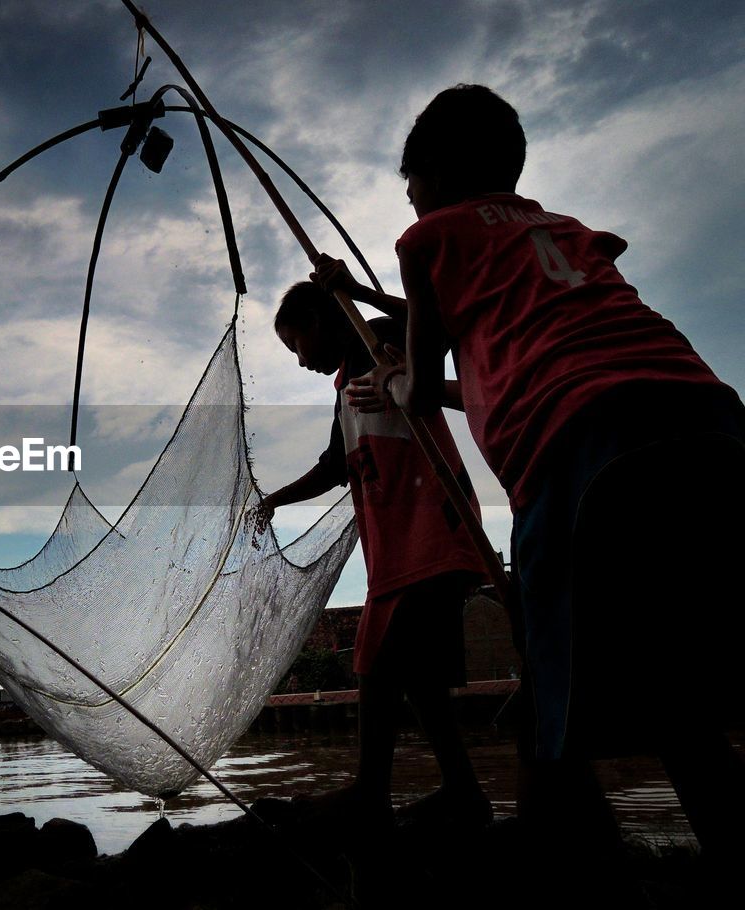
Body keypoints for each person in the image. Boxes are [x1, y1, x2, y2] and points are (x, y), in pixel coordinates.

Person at [318, 84, 745, 857]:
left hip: (580, 446)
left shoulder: (428, 241)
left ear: (435, 176)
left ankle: (560, 868)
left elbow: (420, 373)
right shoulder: (563, 230)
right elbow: (478, 312)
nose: (408, 197)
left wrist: (393, 380)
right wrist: (356, 297)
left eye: (409, 181)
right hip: (712, 422)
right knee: (685, 686)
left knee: (556, 703)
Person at [254, 281, 491, 837]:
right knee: (418, 677)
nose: (300, 359)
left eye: (297, 343)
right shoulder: (345, 385)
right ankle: (462, 791)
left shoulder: (377, 340)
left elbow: (440, 316)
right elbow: (336, 464)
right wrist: (277, 498)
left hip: (433, 527)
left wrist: (356, 293)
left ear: (319, 319)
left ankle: (371, 794)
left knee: (378, 663)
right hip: (396, 544)